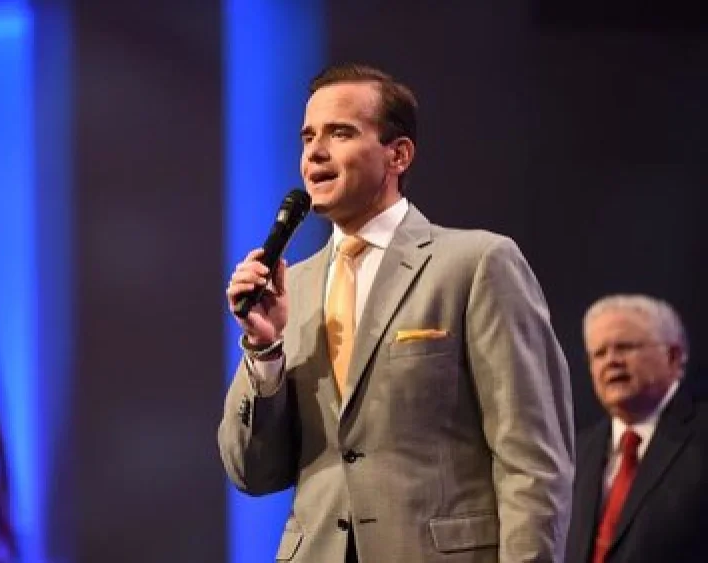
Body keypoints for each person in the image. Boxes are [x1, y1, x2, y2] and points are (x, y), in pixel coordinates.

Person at [218, 62, 574, 562]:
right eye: (307, 137)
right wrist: (264, 350)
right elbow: (251, 472)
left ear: (398, 155)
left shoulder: (475, 264)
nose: (315, 153)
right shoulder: (290, 288)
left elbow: (532, 461)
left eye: (340, 133)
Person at [566, 294, 708, 563]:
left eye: (625, 347)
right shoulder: (577, 453)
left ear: (674, 357)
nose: (611, 361)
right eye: (599, 353)